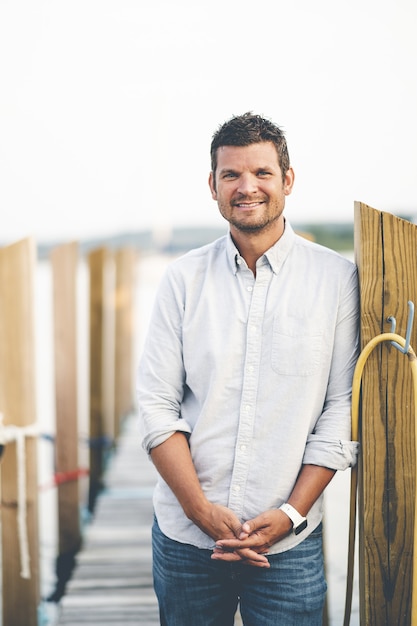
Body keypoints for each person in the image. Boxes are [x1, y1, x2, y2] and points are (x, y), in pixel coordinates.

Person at [137, 112, 359, 626]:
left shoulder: (337, 280)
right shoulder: (182, 279)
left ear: (288, 180)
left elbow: (340, 408)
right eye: (231, 175)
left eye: (261, 172)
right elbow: (156, 405)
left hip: (289, 544)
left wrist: (290, 513)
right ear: (212, 186)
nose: (247, 187)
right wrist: (200, 511)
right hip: (187, 538)